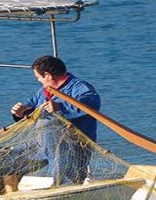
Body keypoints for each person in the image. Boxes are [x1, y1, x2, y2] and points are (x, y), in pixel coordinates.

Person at [9, 55, 101, 184]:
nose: (39, 81)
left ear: (47, 75)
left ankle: (67, 192)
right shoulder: (43, 91)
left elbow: (92, 105)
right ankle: (5, 193)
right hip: (41, 143)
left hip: (72, 144)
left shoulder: (80, 88)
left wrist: (61, 107)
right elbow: (31, 108)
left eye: (39, 78)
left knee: (64, 174)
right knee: (11, 159)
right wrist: (19, 112)